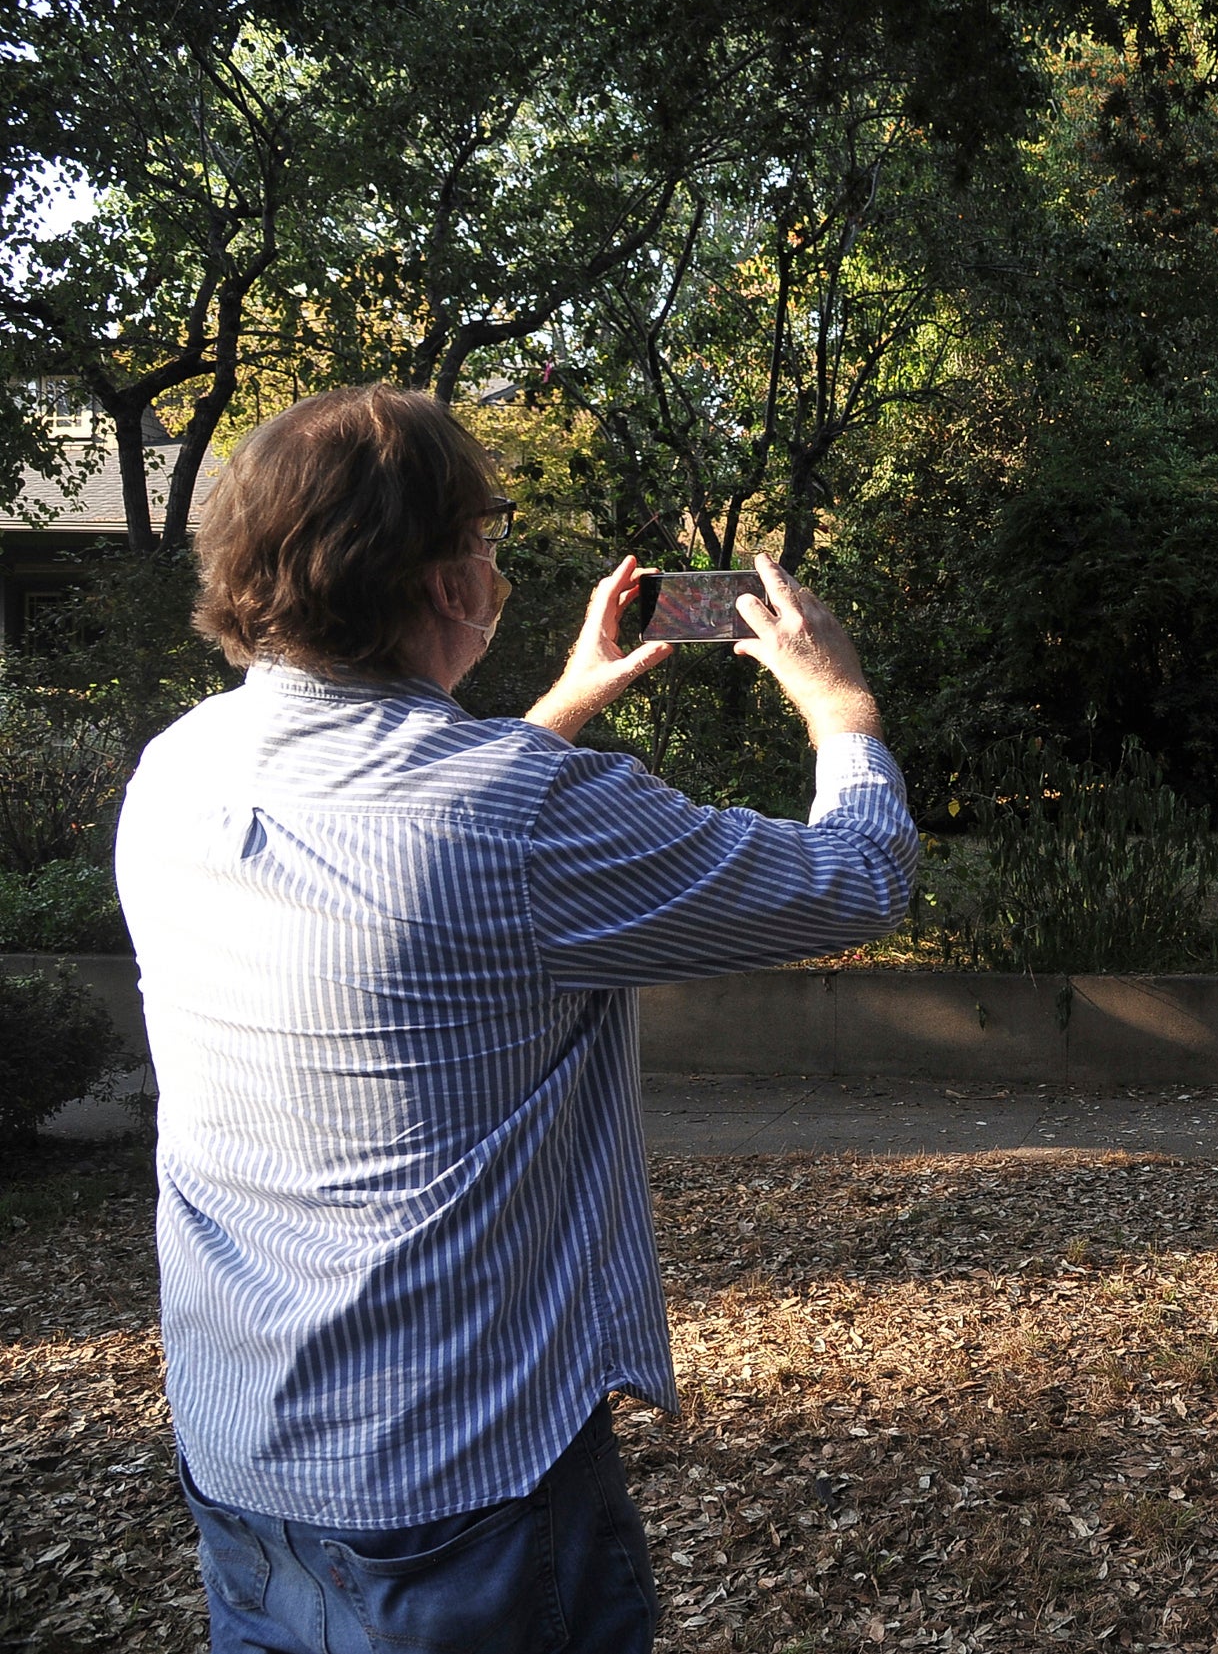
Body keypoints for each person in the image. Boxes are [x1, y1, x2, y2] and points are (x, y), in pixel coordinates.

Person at [114, 385, 918, 1653]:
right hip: (464, 1496)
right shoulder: (519, 815)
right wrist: (840, 707)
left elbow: (419, 847)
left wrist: (565, 698)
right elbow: (855, 879)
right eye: (485, 538)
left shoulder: (175, 772)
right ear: (442, 584)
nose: (496, 560)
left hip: (242, 1463)